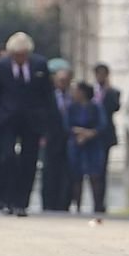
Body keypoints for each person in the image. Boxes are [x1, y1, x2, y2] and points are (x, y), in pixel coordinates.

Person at [0, 31, 52, 217]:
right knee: (7, 158)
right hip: (7, 120)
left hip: (32, 120)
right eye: (16, 55)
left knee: (29, 161)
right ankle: (7, 198)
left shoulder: (39, 65)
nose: (20, 59)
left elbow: (47, 95)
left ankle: (21, 202)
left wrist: (47, 122)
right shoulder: (0, 66)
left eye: (23, 55)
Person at [67, 81, 105, 214]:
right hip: (77, 144)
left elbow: (102, 125)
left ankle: (98, 206)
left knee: (95, 176)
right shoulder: (71, 107)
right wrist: (78, 132)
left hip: (92, 145)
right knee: (77, 178)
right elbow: (66, 124)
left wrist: (90, 133)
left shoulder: (95, 107)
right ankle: (77, 206)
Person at [41, 59, 73, 212]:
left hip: (68, 138)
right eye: (60, 80)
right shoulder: (49, 97)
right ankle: (48, 202)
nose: (63, 83)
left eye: (65, 80)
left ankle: (64, 203)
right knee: (49, 171)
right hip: (51, 137)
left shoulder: (72, 97)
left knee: (66, 172)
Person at [91, 62, 120, 211]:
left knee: (102, 169)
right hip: (92, 135)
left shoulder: (112, 92)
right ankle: (94, 200)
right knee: (93, 171)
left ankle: (100, 203)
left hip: (105, 135)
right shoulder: (91, 92)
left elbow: (116, 107)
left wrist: (108, 89)